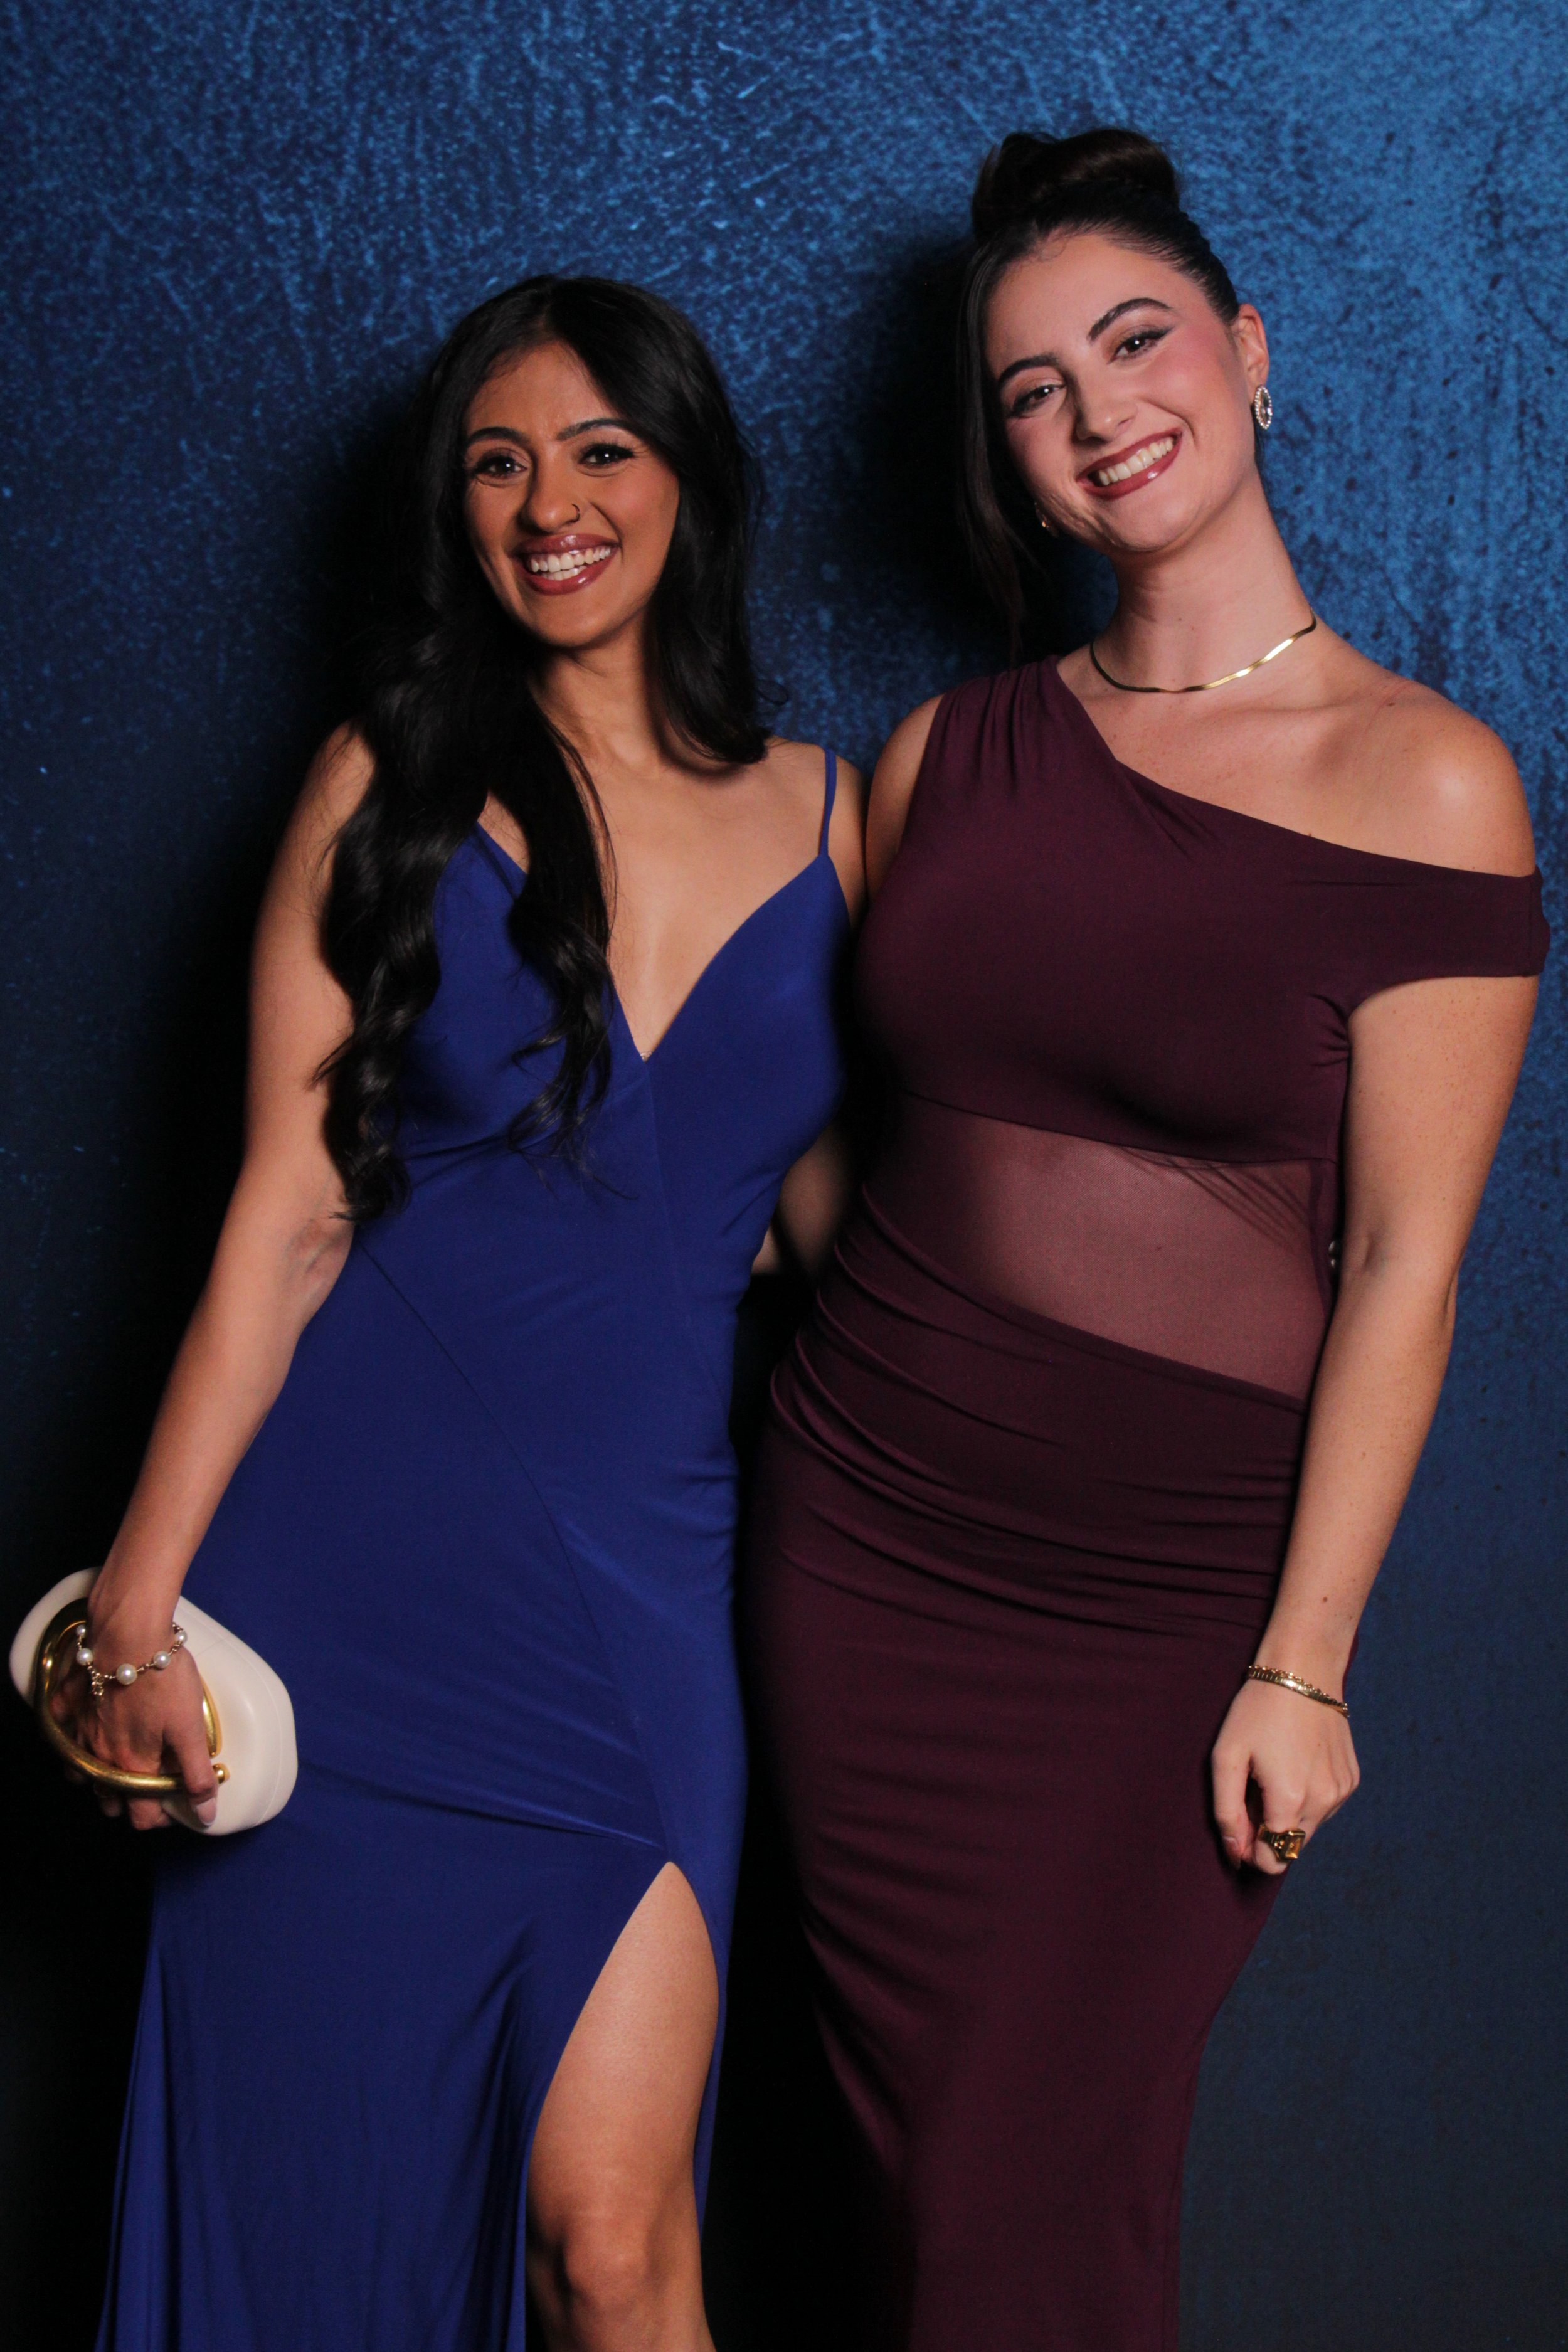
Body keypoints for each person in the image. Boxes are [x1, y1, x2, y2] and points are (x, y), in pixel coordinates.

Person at [743, 127, 1547, 2351]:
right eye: (1027, 390)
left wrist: (1304, 1659)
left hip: (1164, 1613)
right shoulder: (938, 755)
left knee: (1030, 2198)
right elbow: (826, 1139)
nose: (1097, 412)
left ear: (1249, 355)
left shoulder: (1430, 781)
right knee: (902, 2199)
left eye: (1133, 340)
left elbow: (1402, 1266)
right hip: (861, 1551)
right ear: (1004, 465)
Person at [60, 273, 862, 2352]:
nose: (550, 504)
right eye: (498, 463)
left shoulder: (843, 818)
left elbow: (834, 1230)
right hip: (348, 1592)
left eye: (602, 450)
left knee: (617, 2244)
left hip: (637, 1607)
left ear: (690, 477)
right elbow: (285, 1210)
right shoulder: (384, 779)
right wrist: (131, 1612)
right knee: (315, 2219)